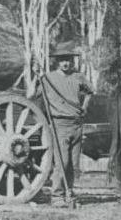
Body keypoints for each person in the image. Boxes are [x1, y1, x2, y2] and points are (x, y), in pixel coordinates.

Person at [38, 41, 93, 205]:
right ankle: (57, 196)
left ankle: (69, 192)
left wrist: (84, 107)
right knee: (62, 162)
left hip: (76, 123)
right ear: (56, 61)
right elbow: (36, 96)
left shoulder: (78, 76)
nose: (66, 63)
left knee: (73, 165)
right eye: (62, 59)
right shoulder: (48, 78)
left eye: (68, 59)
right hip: (59, 124)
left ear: (72, 60)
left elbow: (90, 91)